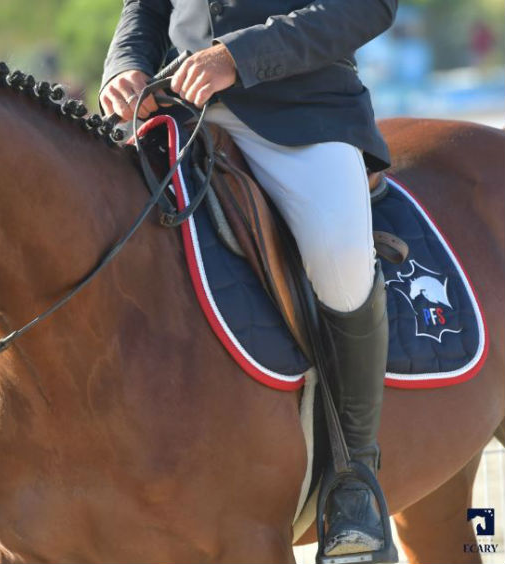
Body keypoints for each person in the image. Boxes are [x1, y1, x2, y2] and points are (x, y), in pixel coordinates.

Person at [100, 1, 397, 560]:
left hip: (300, 110)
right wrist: (122, 67)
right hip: (173, 108)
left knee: (338, 258)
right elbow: (145, 7)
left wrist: (240, 56)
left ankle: (354, 477)